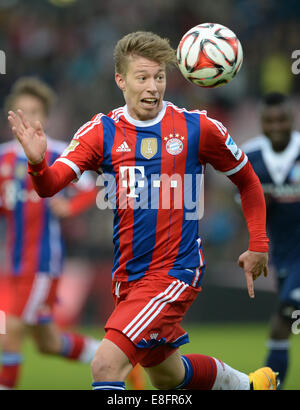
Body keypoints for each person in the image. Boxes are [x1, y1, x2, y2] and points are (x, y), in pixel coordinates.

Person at [8, 31, 278, 390]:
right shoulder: (100, 132)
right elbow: (49, 186)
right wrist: (39, 162)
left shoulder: (197, 128)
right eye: (142, 78)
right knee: (169, 375)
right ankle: (252, 386)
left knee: (105, 366)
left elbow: (248, 180)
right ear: (121, 80)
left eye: (160, 77)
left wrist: (258, 242)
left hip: (175, 272)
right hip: (129, 277)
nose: (153, 87)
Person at [0, 77, 101, 390]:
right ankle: (109, 356)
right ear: (11, 115)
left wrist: (69, 209)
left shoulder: (58, 152)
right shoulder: (2, 157)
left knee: (8, 330)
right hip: (10, 265)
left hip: (42, 264)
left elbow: (92, 186)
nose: (29, 117)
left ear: (45, 116)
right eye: (22, 111)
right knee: (48, 342)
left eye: (35, 111)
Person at [242, 92, 300, 388]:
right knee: (282, 327)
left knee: (283, 319)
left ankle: (265, 385)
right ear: (261, 122)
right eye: (269, 120)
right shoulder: (249, 156)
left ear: (292, 119)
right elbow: (240, 202)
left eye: (282, 119)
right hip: (283, 256)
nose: (276, 125)